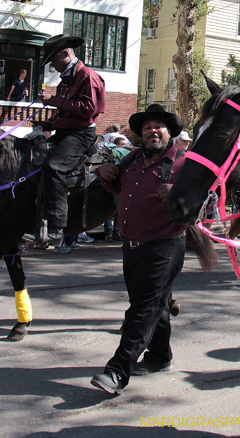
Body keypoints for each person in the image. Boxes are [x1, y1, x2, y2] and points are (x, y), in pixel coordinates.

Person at [92, 104, 188, 395]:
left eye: (159, 127)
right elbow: (116, 187)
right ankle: (159, 356)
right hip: (132, 246)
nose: (153, 131)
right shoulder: (131, 159)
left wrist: (178, 194)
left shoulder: (183, 163)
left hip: (164, 246)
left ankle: (117, 371)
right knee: (153, 304)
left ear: (169, 133)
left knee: (142, 310)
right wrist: (104, 173)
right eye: (147, 127)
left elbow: (205, 199)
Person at [38, 34, 106, 247]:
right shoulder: (65, 80)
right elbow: (65, 114)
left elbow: (88, 110)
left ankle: (57, 228)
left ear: (66, 54)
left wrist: (53, 100)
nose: (53, 67)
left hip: (81, 135)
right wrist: (45, 125)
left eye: (54, 61)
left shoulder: (88, 76)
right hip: (65, 133)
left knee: (54, 167)